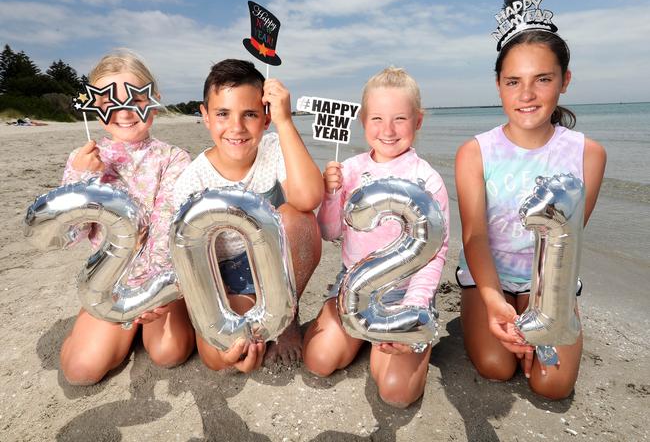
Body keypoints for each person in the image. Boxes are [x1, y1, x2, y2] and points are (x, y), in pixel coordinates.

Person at [455, 0, 607, 399]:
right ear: (499, 84)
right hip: (490, 278)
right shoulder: (476, 152)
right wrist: (493, 301)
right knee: (495, 366)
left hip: (550, 282)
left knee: (552, 384)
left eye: (542, 78)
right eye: (513, 81)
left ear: (565, 80)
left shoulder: (588, 154)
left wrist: (544, 312)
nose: (527, 94)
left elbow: (566, 242)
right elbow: (475, 234)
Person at [303, 67, 450, 407]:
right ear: (362, 120)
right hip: (354, 286)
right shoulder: (350, 169)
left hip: (404, 293)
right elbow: (329, 231)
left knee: (396, 392)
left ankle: (414, 345)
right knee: (319, 361)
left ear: (418, 121)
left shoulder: (426, 180)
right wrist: (330, 195)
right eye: (377, 118)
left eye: (400, 118)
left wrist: (414, 307)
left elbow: (435, 253)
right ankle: (340, 325)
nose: (387, 130)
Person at [173, 59, 322, 372]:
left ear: (265, 118)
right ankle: (258, 318)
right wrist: (223, 331)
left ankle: (286, 320)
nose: (236, 128)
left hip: (274, 265)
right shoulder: (192, 181)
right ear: (205, 117)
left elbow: (309, 197)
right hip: (223, 275)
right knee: (224, 356)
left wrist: (284, 122)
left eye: (250, 114)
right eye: (223, 114)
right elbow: (193, 270)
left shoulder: (274, 146)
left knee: (299, 218)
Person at [60, 50, 195, 385]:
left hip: (157, 282)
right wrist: (80, 179)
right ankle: (93, 325)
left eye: (134, 98)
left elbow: (168, 230)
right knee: (81, 371)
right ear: (94, 106)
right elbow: (71, 234)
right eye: (109, 102)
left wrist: (152, 294)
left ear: (153, 100)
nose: (123, 112)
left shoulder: (174, 159)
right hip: (108, 284)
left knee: (170, 353)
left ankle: (157, 321)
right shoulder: (82, 160)